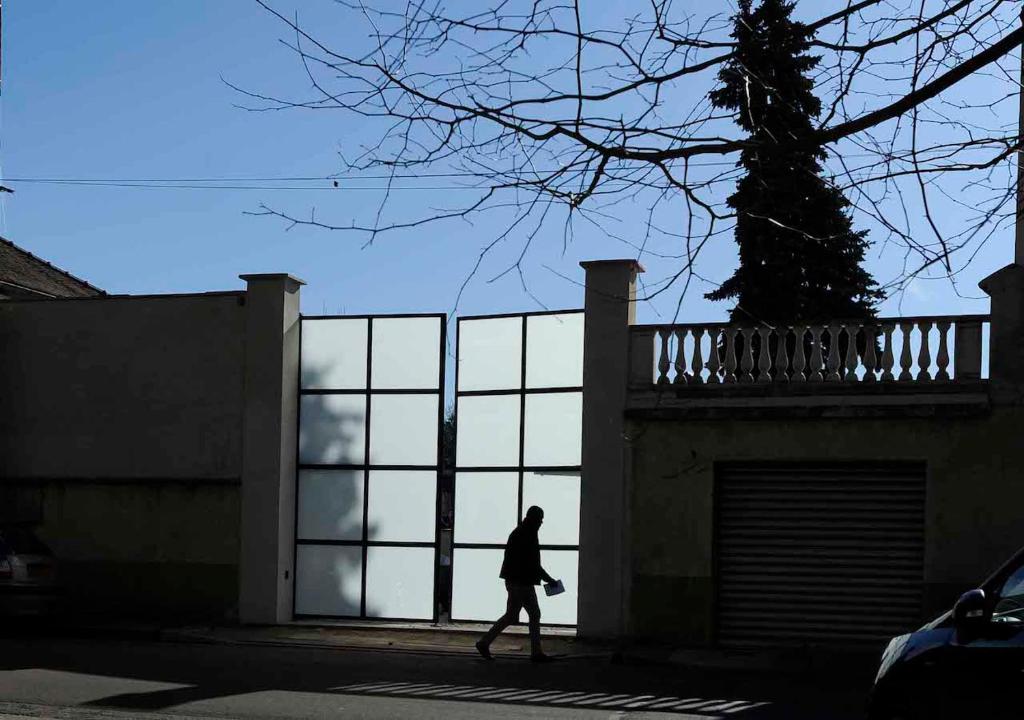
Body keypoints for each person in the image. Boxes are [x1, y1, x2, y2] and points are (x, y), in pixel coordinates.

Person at [475, 505, 556, 662]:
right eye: (540, 520)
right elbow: (533, 564)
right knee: (533, 613)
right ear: (534, 519)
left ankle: (485, 642)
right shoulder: (528, 535)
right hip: (522, 582)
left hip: (514, 580)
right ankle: (536, 652)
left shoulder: (520, 532)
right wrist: (550, 580)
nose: (541, 523)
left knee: (512, 615)